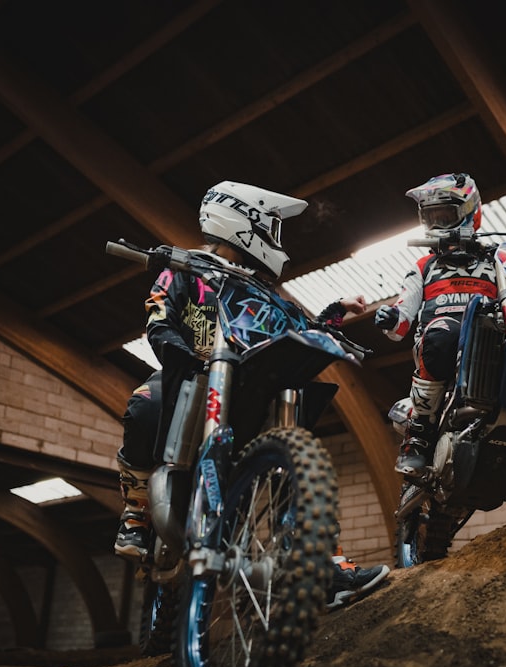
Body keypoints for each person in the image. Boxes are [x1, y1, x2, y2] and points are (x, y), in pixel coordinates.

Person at [114, 179, 389, 610]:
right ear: (245, 222)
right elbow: (158, 314)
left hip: (242, 391)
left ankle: (320, 562)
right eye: (273, 227)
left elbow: (297, 330)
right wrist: (176, 351)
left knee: (296, 448)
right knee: (145, 404)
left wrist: (334, 314)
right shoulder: (188, 268)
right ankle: (135, 514)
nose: (277, 240)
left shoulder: (260, 290)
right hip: (190, 374)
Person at [374, 173, 498, 477]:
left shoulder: (496, 261)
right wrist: (391, 317)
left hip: (490, 343)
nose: (438, 226)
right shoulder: (423, 267)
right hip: (439, 343)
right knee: (443, 331)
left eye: (446, 216)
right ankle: (418, 436)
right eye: (432, 218)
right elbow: (401, 322)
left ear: (470, 212)